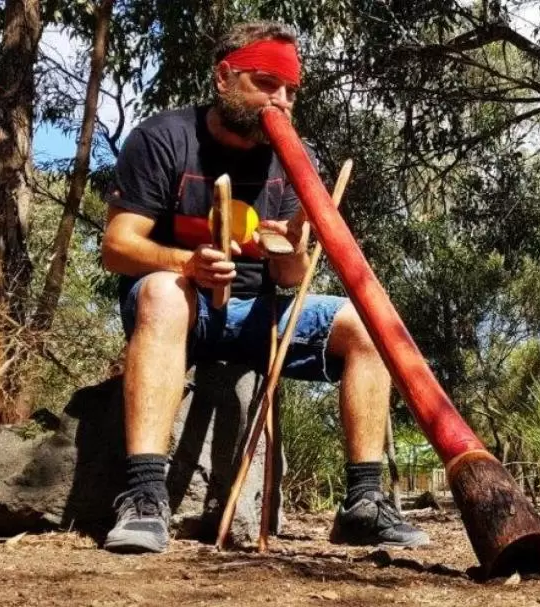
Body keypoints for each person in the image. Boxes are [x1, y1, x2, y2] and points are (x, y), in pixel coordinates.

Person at [100, 21, 428, 553]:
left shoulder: (293, 159)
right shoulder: (163, 137)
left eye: (291, 91)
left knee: (369, 321)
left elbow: (292, 280)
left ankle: (362, 505)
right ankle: (144, 497)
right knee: (162, 291)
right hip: (180, 309)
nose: (282, 101)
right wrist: (190, 265)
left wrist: (292, 245)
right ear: (224, 77)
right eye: (266, 84)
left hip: (260, 314)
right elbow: (117, 246)